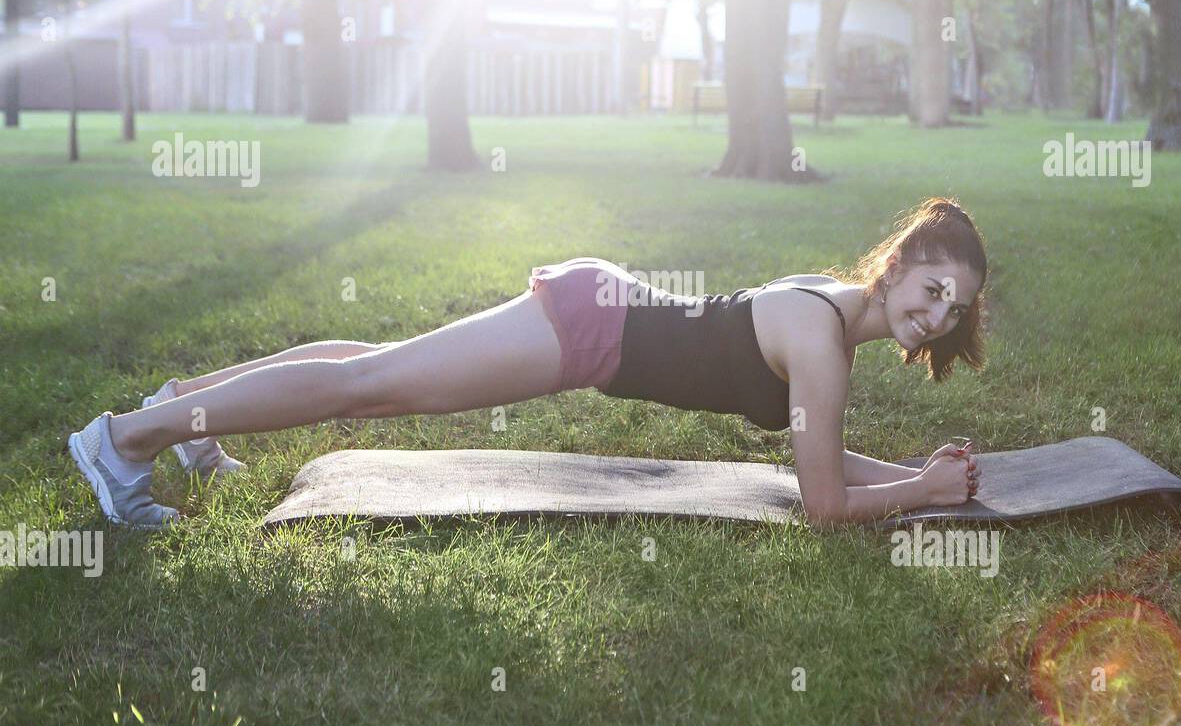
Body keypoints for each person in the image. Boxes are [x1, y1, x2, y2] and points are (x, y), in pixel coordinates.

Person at [68, 196, 986, 530]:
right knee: (372, 385)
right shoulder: (824, 344)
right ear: (899, 260)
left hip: (600, 311)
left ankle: (184, 408)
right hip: (592, 330)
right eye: (933, 288)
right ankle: (125, 439)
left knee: (376, 364)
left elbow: (816, 460)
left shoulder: (828, 313)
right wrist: (925, 494)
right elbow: (823, 504)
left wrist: (913, 474)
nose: (937, 318)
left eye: (956, 310)